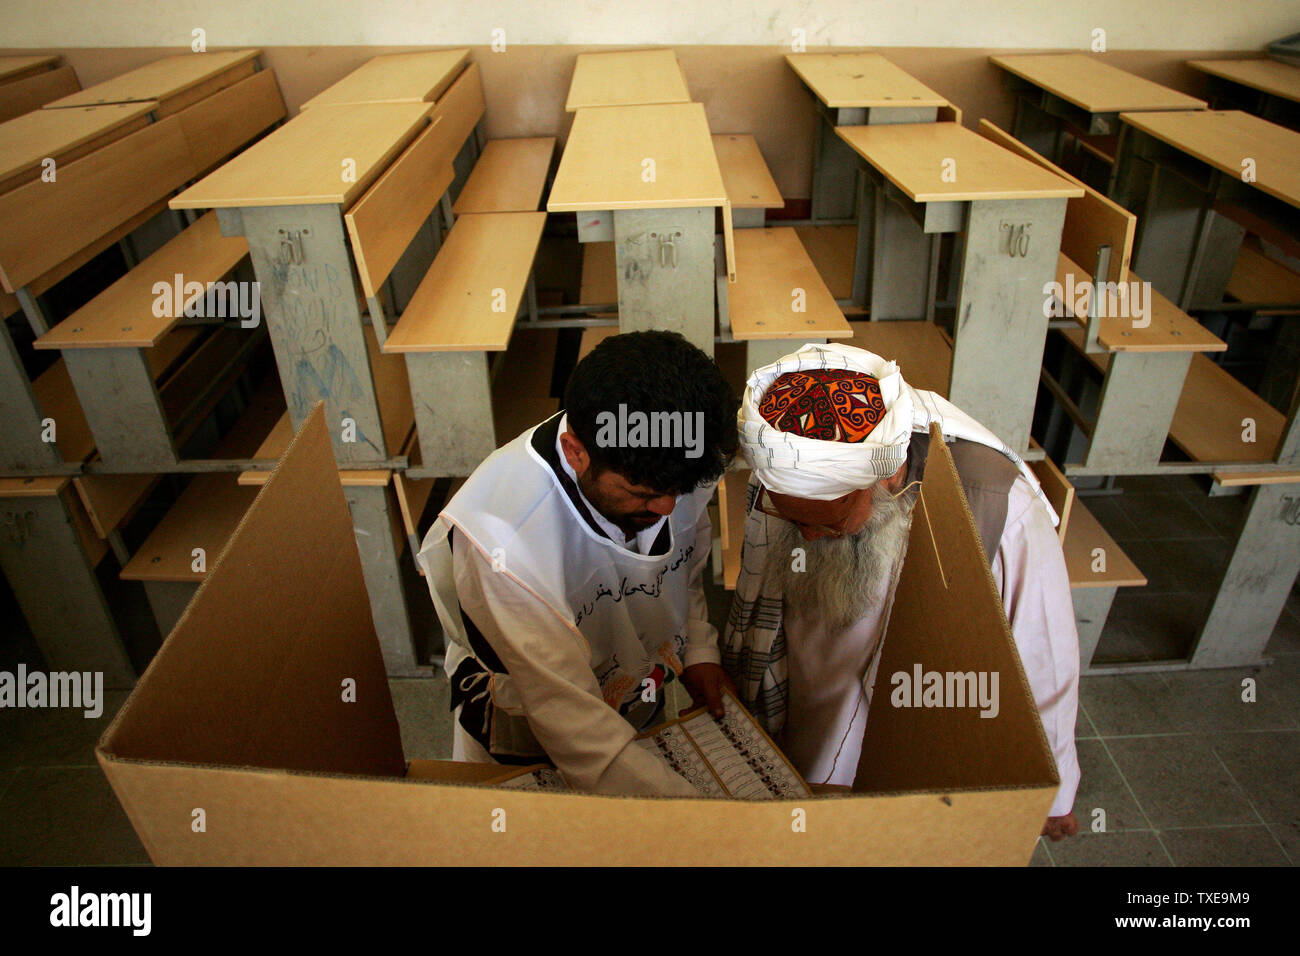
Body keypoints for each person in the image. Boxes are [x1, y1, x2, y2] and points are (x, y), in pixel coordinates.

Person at [722, 342, 1080, 839]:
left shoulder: (995, 504)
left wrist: (1053, 792)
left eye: (829, 523)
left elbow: (1044, 656)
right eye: (793, 518)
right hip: (808, 702)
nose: (805, 537)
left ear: (887, 476)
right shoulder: (788, 466)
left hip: (915, 726)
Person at [417, 331, 738, 796]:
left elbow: (682, 563)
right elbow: (583, 739)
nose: (668, 508)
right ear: (575, 452)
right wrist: (721, 822)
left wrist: (698, 651)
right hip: (534, 725)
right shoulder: (503, 543)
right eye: (643, 495)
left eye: (679, 492)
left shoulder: (675, 461)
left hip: (635, 687)